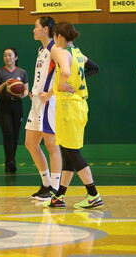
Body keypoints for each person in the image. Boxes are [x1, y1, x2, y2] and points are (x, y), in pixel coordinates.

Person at [44, 21, 102, 209]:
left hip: (68, 107)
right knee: (67, 152)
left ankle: (93, 194)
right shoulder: (78, 53)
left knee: (73, 152)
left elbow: (66, 71)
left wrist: (62, 83)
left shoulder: (62, 52)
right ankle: (59, 196)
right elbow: (95, 68)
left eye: (54, 37)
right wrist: (77, 83)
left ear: (59, 37)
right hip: (80, 105)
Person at [25, 16, 61, 201]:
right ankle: (46, 184)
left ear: (46, 29)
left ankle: (55, 189)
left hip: (49, 102)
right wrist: (34, 92)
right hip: (37, 102)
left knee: (51, 145)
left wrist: (51, 93)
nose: (34, 30)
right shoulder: (41, 50)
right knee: (31, 144)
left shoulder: (55, 48)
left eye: (36, 27)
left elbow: (67, 74)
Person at [0, 48, 29, 172]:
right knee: (8, 134)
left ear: (15, 57)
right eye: (5, 55)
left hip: (17, 105)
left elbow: (26, 90)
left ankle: (11, 159)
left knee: (15, 134)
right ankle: (10, 161)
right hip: (4, 105)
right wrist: (4, 85)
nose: (7, 57)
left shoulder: (22, 72)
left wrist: (22, 95)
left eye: (10, 55)